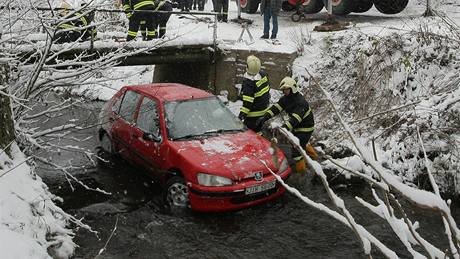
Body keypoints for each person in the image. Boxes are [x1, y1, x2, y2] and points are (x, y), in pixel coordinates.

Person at [256, 76, 315, 172]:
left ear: (292, 88)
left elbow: (295, 119)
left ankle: (302, 173)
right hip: (297, 128)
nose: (284, 92)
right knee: (301, 143)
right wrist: (265, 116)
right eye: (283, 90)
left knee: (296, 152)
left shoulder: (301, 102)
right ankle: (314, 158)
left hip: (305, 129)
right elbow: (276, 108)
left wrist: (285, 127)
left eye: (286, 90)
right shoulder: (286, 98)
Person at [238, 55, 270, 132]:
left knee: (250, 135)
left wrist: (240, 116)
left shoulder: (249, 83)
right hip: (264, 112)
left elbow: (247, 104)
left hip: (253, 117)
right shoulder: (263, 75)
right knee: (259, 134)